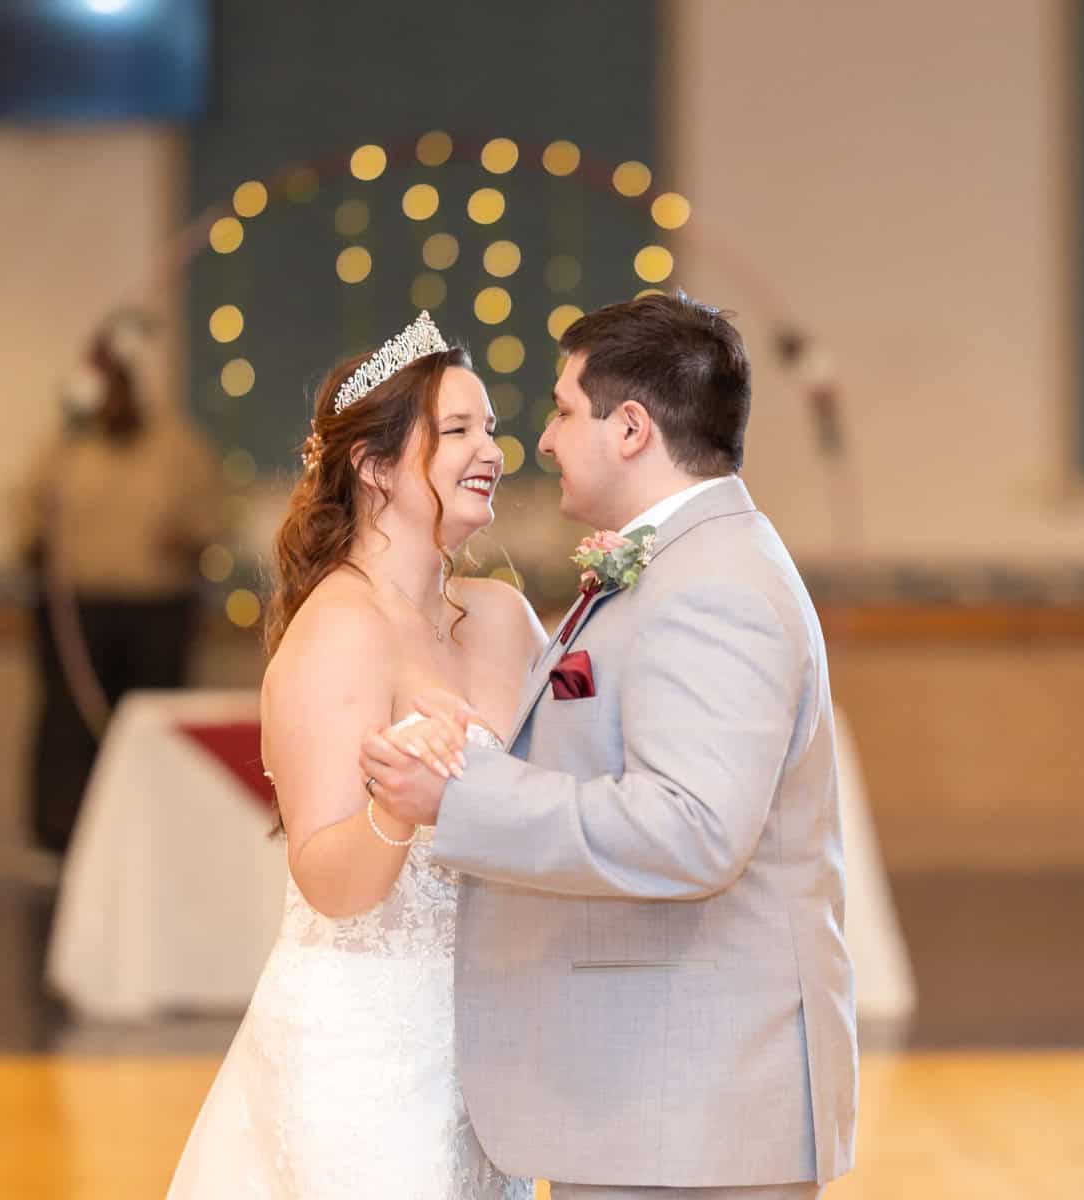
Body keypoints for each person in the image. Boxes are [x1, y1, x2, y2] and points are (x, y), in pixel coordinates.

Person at [361, 293, 859, 1198]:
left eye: (561, 410)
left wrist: (461, 797)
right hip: (655, 1103)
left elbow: (693, 831)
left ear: (630, 428)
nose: (543, 441)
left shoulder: (715, 585)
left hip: (693, 1110)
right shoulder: (680, 562)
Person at [166, 313, 539, 1198]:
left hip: (497, 1049)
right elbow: (330, 884)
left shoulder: (502, 617)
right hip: (365, 1056)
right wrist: (395, 812)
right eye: (455, 431)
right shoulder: (335, 631)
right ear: (373, 466)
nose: (490, 449)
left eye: (489, 427)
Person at [18, 310, 222, 852]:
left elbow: (212, 516)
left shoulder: (177, 446)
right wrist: (39, 543)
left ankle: (151, 840)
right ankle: (60, 841)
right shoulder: (67, 447)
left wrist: (187, 539)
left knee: (151, 728)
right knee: (70, 724)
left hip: (155, 610)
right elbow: (29, 516)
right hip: (79, 612)